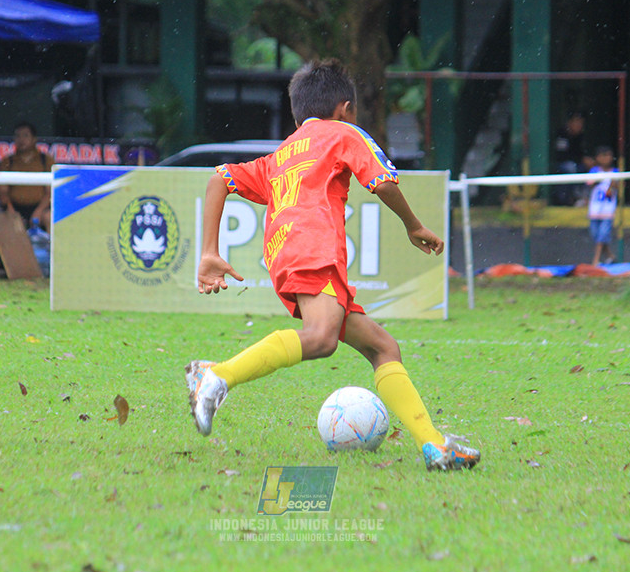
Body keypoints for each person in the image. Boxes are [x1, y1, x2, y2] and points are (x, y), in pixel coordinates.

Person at [186, 59, 479, 472]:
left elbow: (220, 178)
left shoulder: (282, 153)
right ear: (345, 109)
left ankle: (434, 446)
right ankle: (215, 376)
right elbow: (382, 180)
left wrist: (208, 251)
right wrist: (414, 225)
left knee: (383, 347)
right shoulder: (343, 133)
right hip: (315, 248)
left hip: (287, 254)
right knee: (321, 339)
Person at [0, 121, 53, 230]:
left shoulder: (46, 160)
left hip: (41, 208)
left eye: (25, 135)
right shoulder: (7, 161)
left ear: (34, 139)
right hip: (15, 207)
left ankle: (51, 247)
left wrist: (38, 211)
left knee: (49, 217)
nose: (21, 139)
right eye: (17, 136)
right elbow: (3, 192)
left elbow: (49, 192)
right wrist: (11, 211)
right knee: (4, 222)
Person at [553, 110, 594, 206]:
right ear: (569, 122)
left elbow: (581, 153)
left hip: (577, 164)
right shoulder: (562, 134)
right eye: (577, 122)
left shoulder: (580, 136)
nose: (579, 125)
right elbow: (561, 155)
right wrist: (581, 159)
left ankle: (584, 198)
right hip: (563, 164)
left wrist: (587, 160)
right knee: (570, 167)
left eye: (581, 122)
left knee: (591, 169)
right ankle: (566, 199)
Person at [586, 145, 617, 266]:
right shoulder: (594, 171)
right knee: (596, 235)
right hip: (595, 209)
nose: (606, 159)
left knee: (602, 235)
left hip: (608, 210)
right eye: (603, 156)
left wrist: (613, 184)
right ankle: (610, 256)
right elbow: (589, 184)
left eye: (608, 155)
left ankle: (596, 260)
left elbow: (619, 186)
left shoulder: (615, 172)